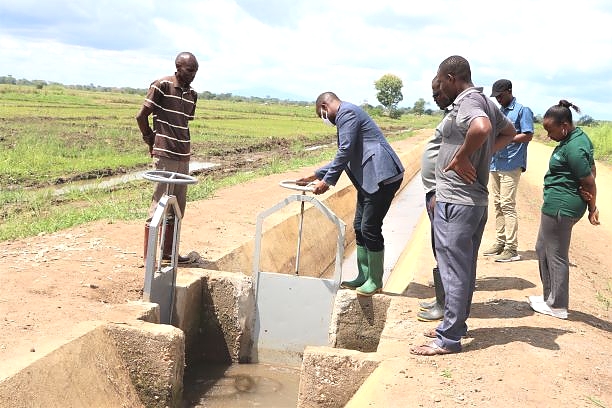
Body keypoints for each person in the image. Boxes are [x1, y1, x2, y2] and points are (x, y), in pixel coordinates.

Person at [410, 56, 516, 356]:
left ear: (452, 77)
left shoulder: (469, 101)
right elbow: (506, 133)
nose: (439, 86)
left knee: (454, 270)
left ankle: (449, 338)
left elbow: (481, 128)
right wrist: (478, 153)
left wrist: (463, 156)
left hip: (456, 200)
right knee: (463, 268)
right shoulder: (487, 101)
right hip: (471, 201)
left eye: (440, 81)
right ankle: (455, 325)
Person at [297, 92, 405, 296]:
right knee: (359, 226)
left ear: (324, 107)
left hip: (381, 176)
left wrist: (327, 182)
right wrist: (314, 176)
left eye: (321, 115)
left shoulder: (346, 114)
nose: (324, 119)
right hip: (370, 178)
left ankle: (375, 280)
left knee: (370, 227)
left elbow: (345, 151)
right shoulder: (348, 114)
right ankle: (363, 276)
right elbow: (348, 154)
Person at [528, 100, 599, 319]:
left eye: (550, 130)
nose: (548, 135)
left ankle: (558, 305)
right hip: (557, 204)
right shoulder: (576, 138)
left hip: (561, 207)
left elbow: (588, 179)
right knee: (542, 248)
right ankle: (549, 296)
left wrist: (592, 207)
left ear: (564, 126)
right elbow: (593, 167)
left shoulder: (574, 147)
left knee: (556, 255)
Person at [136, 52, 199, 264]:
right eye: (189, 70)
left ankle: (168, 253)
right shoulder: (162, 85)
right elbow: (141, 115)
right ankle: (149, 258)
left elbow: (183, 123)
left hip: (183, 156)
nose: (192, 75)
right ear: (178, 67)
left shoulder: (192, 94)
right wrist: (150, 140)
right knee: (159, 203)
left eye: (195, 71)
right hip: (165, 154)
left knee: (177, 208)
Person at [482, 79, 534, 262]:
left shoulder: (522, 110)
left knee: (507, 204)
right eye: (496, 97)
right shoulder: (498, 111)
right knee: (496, 203)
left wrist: (508, 138)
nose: (498, 100)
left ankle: (511, 248)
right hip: (495, 163)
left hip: (512, 163)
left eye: (501, 96)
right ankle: (500, 242)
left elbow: (528, 135)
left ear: (509, 91)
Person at [417, 77, 452, 322]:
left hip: (442, 192)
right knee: (438, 246)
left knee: (444, 249)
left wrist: (441, 189)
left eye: (437, 93)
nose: (434, 98)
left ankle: (445, 305)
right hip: (436, 190)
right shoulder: (450, 114)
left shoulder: (463, 115)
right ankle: (441, 300)